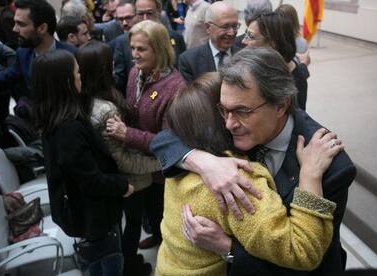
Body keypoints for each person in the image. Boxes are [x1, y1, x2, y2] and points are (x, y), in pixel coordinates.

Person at [150, 47, 356, 275]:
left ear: (281, 105)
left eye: (242, 111)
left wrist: (228, 250)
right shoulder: (231, 124)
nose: (229, 124)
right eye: (223, 110)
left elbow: (309, 261)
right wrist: (202, 161)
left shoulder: (331, 167)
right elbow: (164, 139)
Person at [32, 49, 134, 276]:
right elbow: (90, 180)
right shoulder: (68, 128)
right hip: (92, 215)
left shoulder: (52, 115)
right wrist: (122, 186)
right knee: (109, 264)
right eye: (77, 73)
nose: (81, 77)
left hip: (84, 212)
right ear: (67, 82)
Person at [76, 40, 160, 275]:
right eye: (109, 60)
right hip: (129, 179)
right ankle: (129, 265)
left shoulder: (87, 98)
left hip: (118, 178)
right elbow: (122, 159)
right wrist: (158, 162)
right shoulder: (106, 109)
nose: (115, 62)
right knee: (131, 224)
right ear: (103, 68)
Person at [106, 20, 186, 269]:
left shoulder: (176, 88)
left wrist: (127, 133)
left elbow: (168, 142)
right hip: (141, 167)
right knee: (150, 216)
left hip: (161, 172)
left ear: (160, 49)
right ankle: (156, 236)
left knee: (163, 217)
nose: (134, 55)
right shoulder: (135, 73)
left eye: (142, 49)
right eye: (133, 48)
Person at [0, 0, 76, 100]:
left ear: (42, 28)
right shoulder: (24, 54)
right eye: (15, 23)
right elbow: (1, 81)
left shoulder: (72, 56)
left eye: (21, 24)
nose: (14, 29)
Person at [112, 0, 186, 95]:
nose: (145, 18)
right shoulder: (122, 42)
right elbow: (120, 83)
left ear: (159, 11)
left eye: (150, 13)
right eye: (140, 14)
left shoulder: (176, 38)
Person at [242, 11, 309, 110]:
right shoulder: (252, 64)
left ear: (271, 43)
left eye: (250, 37)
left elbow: (297, 120)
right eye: (245, 34)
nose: (243, 41)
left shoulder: (297, 82)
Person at [178, 1, 240, 84]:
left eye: (235, 26)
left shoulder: (246, 57)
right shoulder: (189, 61)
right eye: (225, 27)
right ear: (208, 27)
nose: (231, 32)